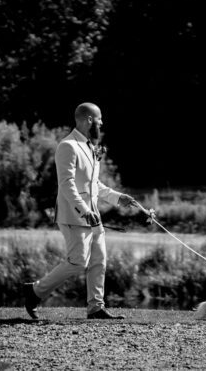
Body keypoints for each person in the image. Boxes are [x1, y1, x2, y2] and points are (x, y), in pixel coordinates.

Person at [24, 102, 137, 320]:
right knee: (77, 263)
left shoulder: (89, 146)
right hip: (74, 215)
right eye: (99, 119)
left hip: (93, 216)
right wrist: (84, 210)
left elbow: (94, 185)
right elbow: (66, 184)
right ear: (89, 120)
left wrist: (117, 197)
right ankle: (35, 291)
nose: (102, 123)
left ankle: (96, 308)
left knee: (99, 261)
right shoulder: (68, 146)